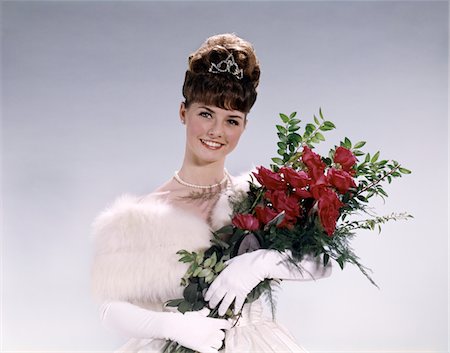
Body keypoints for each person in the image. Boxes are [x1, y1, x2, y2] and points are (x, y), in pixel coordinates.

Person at [90, 33, 332, 353]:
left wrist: (260, 263)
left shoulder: (259, 196)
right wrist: (173, 325)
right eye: (206, 113)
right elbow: (109, 309)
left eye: (231, 120)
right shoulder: (141, 217)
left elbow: (322, 262)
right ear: (183, 112)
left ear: (244, 126)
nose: (217, 131)